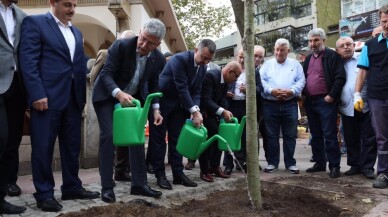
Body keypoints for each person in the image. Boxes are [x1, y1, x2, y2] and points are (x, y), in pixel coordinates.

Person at [19, 0, 100, 212]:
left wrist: (81, 97)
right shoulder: (35, 23)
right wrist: (36, 93)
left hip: (73, 100)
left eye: (74, 5)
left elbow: (77, 64)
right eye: (66, 4)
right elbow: (28, 60)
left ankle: (72, 186)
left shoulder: (78, 33)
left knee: (72, 147)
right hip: (46, 99)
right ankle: (44, 193)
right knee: (43, 148)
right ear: (52, 2)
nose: (72, 9)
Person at [93, 18, 166, 202]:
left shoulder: (158, 58)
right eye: (142, 38)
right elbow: (106, 74)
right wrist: (118, 94)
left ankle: (139, 185)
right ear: (140, 32)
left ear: (157, 44)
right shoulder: (121, 46)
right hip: (107, 96)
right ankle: (107, 187)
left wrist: (156, 109)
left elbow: (155, 84)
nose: (143, 44)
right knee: (109, 136)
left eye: (150, 43)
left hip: (133, 100)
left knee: (136, 138)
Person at [151, 39, 216, 190]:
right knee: (159, 140)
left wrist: (196, 110)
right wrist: (194, 111)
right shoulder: (179, 59)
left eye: (209, 59)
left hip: (179, 107)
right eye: (204, 57)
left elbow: (197, 91)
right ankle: (160, 175)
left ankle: (178, 175)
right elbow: (182, 87)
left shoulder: (202, 68)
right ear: (196, 50)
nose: (205, 61)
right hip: (162, 104)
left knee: (176, 140)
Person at [90, 30, 136, 183]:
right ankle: (105, 173)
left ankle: (121, 171)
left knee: (123, 136)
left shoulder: (136, 56)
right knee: (108, 135)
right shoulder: (105, 53)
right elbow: (95, 75)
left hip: (123, 100)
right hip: (106, 97)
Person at [302, 28, 346, 178]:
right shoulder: (308, 59)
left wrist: (331, 96)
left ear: (323, 41)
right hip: (311, 102)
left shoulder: (332, 56)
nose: (313, 44)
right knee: (315, 135)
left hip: (326, 102)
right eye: (310, 41)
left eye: (316, 40)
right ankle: (320, 164)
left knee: (330, 135)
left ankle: (334, 166)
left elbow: (340, 77)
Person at [354, 4, 388, 189]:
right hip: (377, 97)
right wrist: (357, 94)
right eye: (384, 21)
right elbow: (362, 71)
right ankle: (383, 173)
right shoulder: (370, 45)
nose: (386, 25)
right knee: (382, 137)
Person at [260, 38, 305, 174]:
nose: (279, 53)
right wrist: (271, 91)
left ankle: (290, 163)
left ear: (288, 51)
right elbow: (261, 81)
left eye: (282, 50)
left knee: (290, 135)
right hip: (270, 104)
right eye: (277, 50)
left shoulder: (296, 64)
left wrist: (291, 91)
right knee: (271, 135)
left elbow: (301, 81)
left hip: (289, 103)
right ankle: (272, 163)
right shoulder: (267, 65)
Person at [335, 36, 377, 179]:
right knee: (351, 138)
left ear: (353, 46)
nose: (346, 47)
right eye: (342, 46)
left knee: (368, 138)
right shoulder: (336, 63)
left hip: (365, 104)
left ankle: (367, 167)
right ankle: (355, 165)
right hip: (346, 107)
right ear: (337, 50)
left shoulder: (362, 58)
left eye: (348, 44)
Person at [0, 0, 27, 214]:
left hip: (17, 84)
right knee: (1, 137)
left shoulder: (21, 15)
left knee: (13, 138)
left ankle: (10, 181)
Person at [198, 61, 242, 182]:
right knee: (209, 139)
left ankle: (214, 166)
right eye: (236, 76)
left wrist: (226, 111)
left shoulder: (226, 82)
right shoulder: (211, 76)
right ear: (229, 71)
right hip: (204, 112)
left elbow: (222, 99)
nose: (236, 79)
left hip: (214, 114)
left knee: (220, 135)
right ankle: (204, 170)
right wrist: (222, 111)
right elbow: (206, 99)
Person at [223, 46, 264, 175]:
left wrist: (249, 90)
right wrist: (226, 93)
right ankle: (228, 165)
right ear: (236, 57)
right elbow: (221, 86)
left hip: (247, 106)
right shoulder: (229, 69)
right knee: (230, 135)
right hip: (231, 106)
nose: (242, 60)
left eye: (244, 57)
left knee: (248, 135)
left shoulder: (254, 71)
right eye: (240, 57)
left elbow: (260, 89)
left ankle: (247, 163)